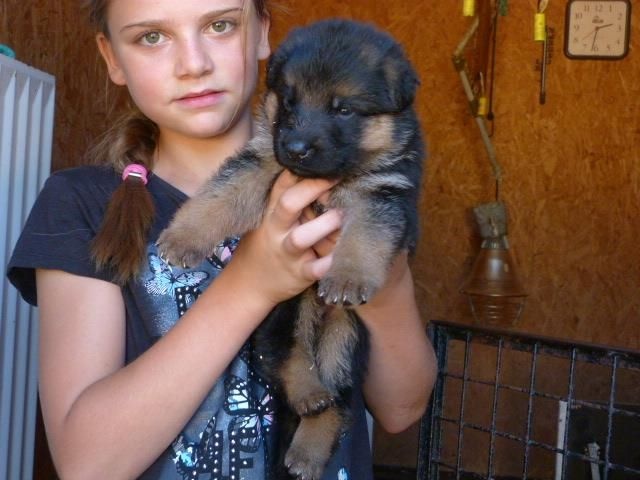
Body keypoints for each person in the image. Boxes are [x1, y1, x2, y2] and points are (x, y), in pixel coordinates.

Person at [7, 0, 437, 478]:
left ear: (262, 34)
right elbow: (87, 467)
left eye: (220, 25)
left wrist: (384, 286)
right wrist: (251, 284)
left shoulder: (363, 181)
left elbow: (402, 410)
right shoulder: (79, 205)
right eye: (152, 36)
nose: (193, 64)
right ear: (112, 57)